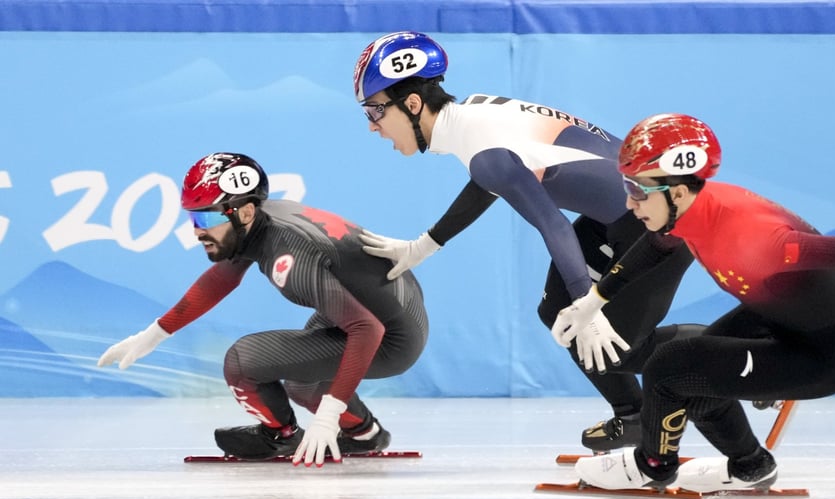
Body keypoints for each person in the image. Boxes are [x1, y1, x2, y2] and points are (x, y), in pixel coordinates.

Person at [553, 113, 835, 491]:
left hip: (827, 353)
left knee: (672, 365)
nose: (629, 203)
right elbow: (652, 249)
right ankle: (750, 466)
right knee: (695, 373)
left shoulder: (755, 238)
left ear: (679, 190)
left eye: (637, 189)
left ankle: (653, 466)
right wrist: (593, 300)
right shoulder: (690, 212)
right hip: (782, 324)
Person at [352, 31, 696, 452]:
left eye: (374, 110)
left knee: (618, 346)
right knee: (559, 313)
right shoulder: (473, 117)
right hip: (615, 218)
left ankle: (747, 350)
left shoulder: (483, 148)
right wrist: (424, 245)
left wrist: (589, 304)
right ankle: (633, 417)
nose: (371, 126)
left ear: (411, 104)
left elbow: (552, 225)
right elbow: (489, 182)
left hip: (657, 229)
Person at [97, 152, 429, 467]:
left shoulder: (289, 259)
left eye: (206, 216)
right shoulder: (261, 221)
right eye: (192, 216)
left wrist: (328, 414)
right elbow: (220, 281)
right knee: (302, 382)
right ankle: (364, 434)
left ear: (244, 213)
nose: (197, 230)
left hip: (390, 335)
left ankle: (280, 435)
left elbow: (367, 329)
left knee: (244, 360)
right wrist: (153, 334)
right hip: (392, 310)